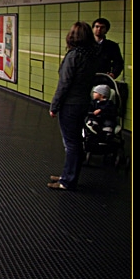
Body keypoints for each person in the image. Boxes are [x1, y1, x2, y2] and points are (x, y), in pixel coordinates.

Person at [47, 21, 99, 191]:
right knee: (75, 141)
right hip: (83, 101)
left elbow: (64, 83)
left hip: (70, 104)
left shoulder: (74, 56)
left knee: (71, 143)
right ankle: (67, 175)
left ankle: (68, 180)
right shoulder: (91, 55)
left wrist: (54, 105)